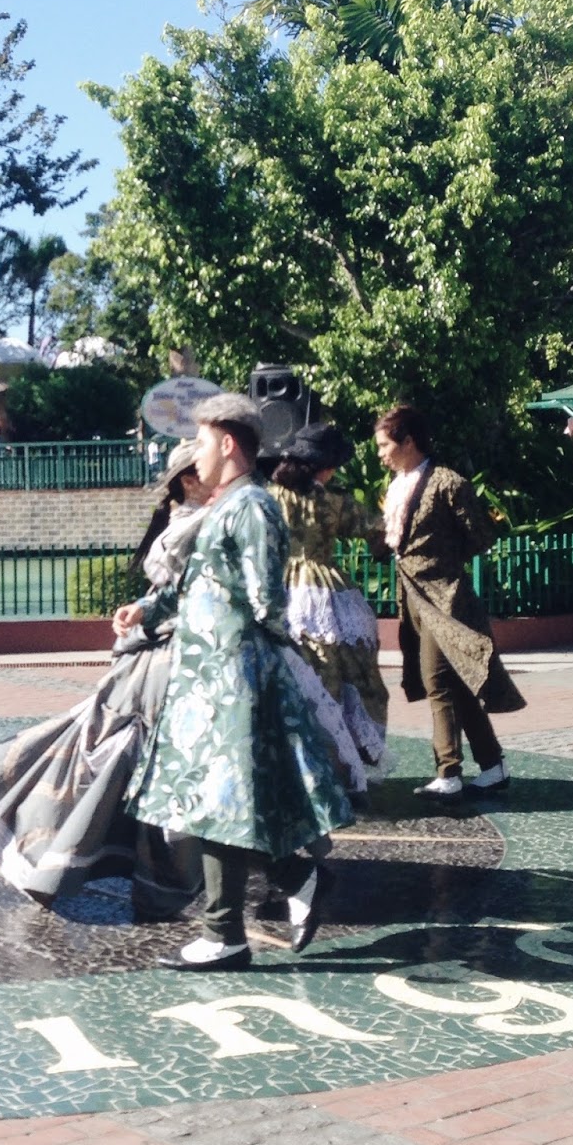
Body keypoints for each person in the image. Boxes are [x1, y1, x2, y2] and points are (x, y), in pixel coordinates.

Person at [118, 393, 352, 970]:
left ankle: (226, 932)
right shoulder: (227, 505)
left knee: (219, 801)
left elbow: (266, 598)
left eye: (201, 442)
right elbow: (196, 582)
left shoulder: (253, 507)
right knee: (218, 801)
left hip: (234, 678)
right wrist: (147, 610)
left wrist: (257, 658)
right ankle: (291, 883)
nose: (193, 455)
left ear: (228, 444)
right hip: (210, 680)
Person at [0, 442, 211, 911]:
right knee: (122, 759)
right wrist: (147, 610)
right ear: (189, 480)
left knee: (127, 758)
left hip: (168, 659)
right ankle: (57, 851)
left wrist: (142, 609)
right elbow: (179, 592)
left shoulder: (203, 518)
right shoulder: (196, 524)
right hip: (166, 664)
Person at [375, 405, 525, 800]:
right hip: (412, 596)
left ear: (408, 442)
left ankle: (449, 771)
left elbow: (480, 536)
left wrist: (442, 562)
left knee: (437, 680)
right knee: (456, 684)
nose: (380, 454)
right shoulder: (397, 486)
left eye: (385, 445)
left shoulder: (448, 482)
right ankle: (492, 765)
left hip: (446, 599)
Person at [268, 422, 390, 768]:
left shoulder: (268, 497)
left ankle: (293, 759)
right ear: (325, 466)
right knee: (344, 671)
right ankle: (342, 758)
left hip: (280, 587)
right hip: (325, 588)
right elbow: (377, 529)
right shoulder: (335, 502)